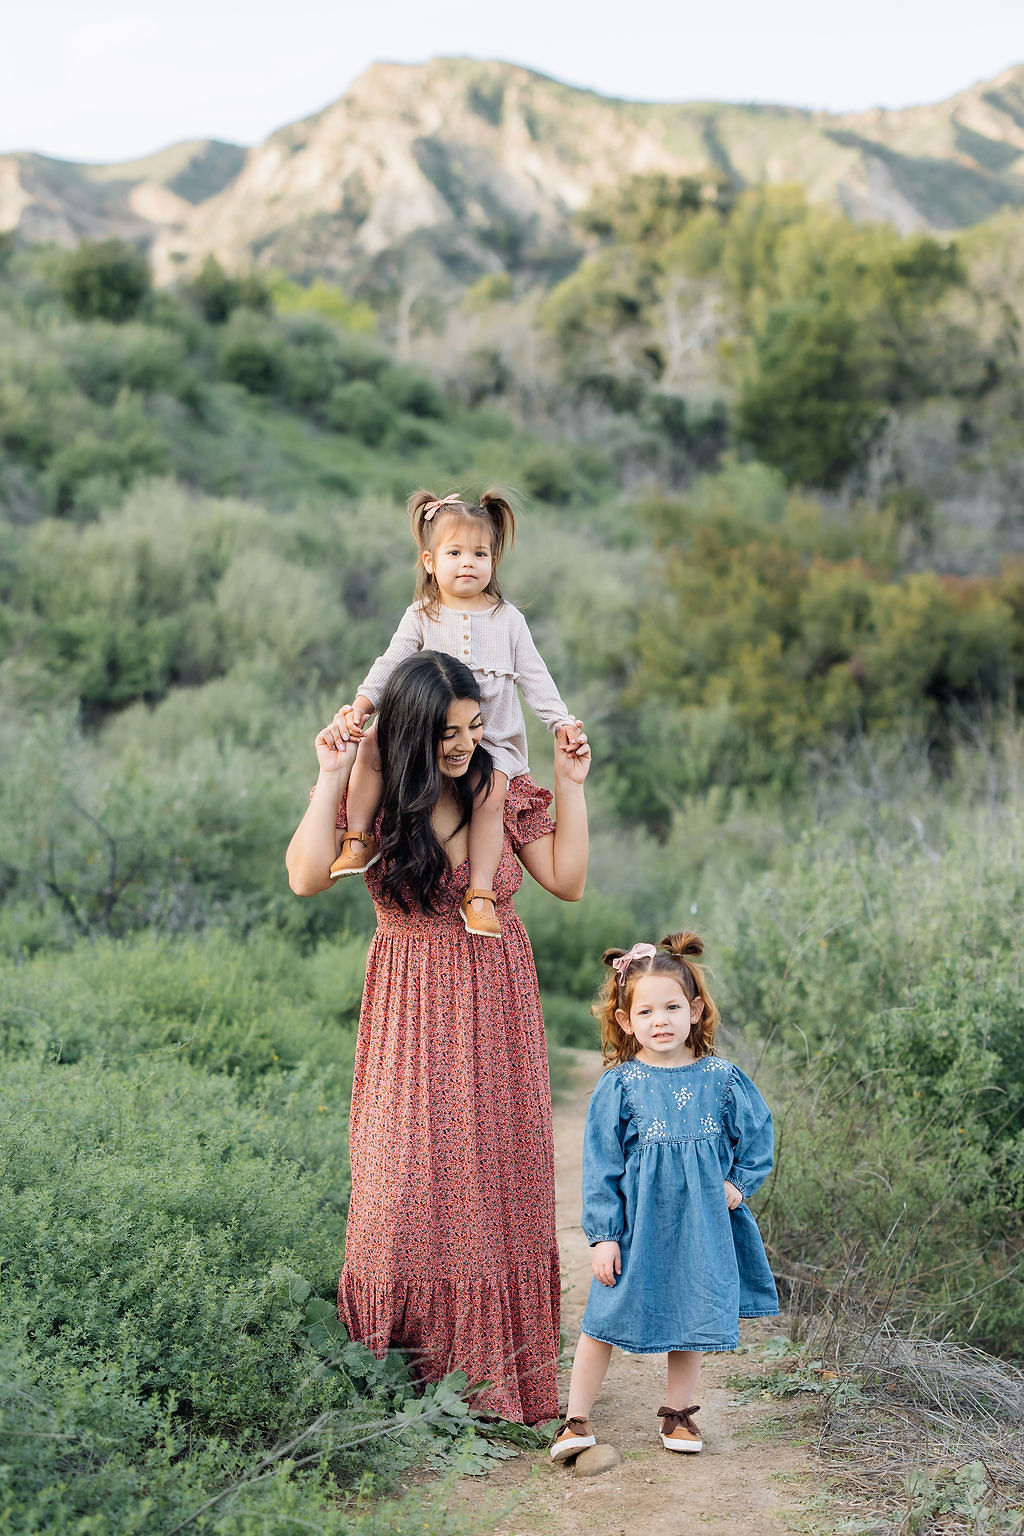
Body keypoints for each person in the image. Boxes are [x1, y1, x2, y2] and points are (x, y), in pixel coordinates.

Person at [286, 650, 591, 1425]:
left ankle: (496, 1382)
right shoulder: (377, 792)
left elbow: (568, 878)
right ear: (415, 729)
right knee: (401, 1182)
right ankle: (397, 1379)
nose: (463, 742)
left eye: (475, 725)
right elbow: (305, 875)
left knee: (491, 1186)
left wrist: (575, 789)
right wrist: (328, 776)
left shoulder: (498, 787)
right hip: (409, 1007)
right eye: (449, 730)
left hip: (496, 1001)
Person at [550, 933, 778, 1462]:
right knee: (604, 1316)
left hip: (702, 1221)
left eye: (673, 1007)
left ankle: (678, 1415)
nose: (661, 1020)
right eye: (647, 1010)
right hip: (637, 1225)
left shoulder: (721, 1078)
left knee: (691, 1312)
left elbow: (759, 1134)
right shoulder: (621, 1085)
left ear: (695, 1010)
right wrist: (604, 1235)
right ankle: (576, 1419)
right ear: (626, 1021)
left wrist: (738, 1182)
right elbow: (602, 1164)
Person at [326, 488, 581, 942]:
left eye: (480, 553)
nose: (469, 562)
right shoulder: (422, 614)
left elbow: (535, 676)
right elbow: (390, 665)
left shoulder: (508, 620)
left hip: (493, 739)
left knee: (491, 795)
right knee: (370, 746)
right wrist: (362, 706)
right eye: (456, 552)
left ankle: (479, 894)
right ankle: (359, 835)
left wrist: (559, 722)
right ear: (429, 561)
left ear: (494, 561)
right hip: (424, 736)